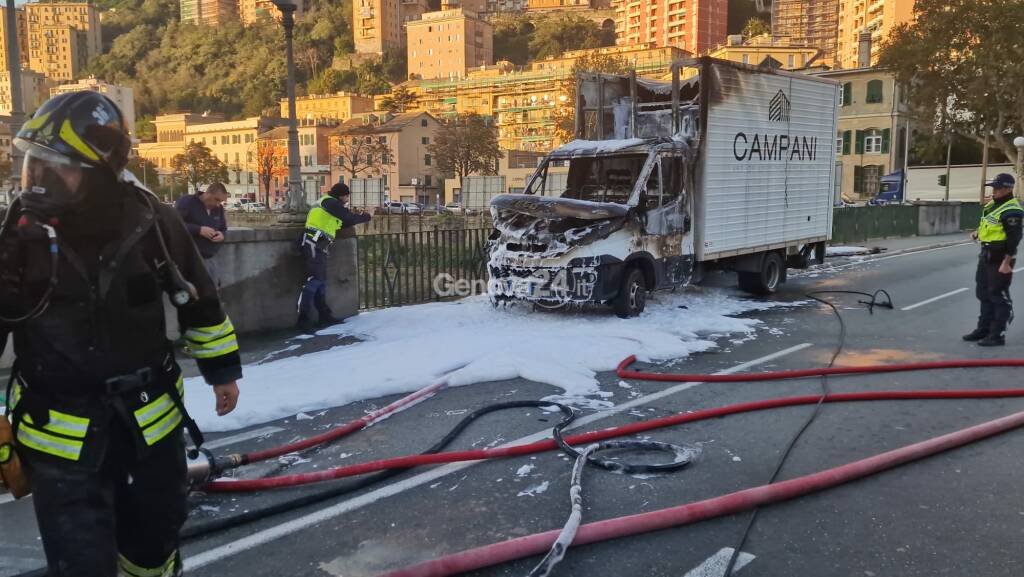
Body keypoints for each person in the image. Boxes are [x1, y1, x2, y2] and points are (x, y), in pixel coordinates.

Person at [0, 91, 241, 576]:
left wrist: (222, 373)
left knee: (153, 542)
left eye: (56, 167)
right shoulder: (20, 233)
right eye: (35, 165)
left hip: (148, 426)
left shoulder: (152, 220)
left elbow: (199, 299)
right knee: (79, 561)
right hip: (58, 438)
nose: (39, 179)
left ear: (97, 170)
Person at [297, 182, 372, 333]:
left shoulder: (330, 205)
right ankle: (303, 319)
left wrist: (362, 217)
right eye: (346, 196)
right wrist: (367, 216)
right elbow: (348, 218)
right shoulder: (329, 202)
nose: (347, 199)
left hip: (320, 245)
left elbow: (343, 222)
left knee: (321, 282)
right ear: (341, 195)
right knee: (314, 281)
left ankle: (324, 315)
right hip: (313, 243)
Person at [963, 173, 1022, 346]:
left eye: (997, 188)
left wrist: (1007, 262)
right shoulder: (993, 205)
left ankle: (998, 334)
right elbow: (988, 224)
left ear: (1007, 189)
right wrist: (977, 233)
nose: (993, 191)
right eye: (993, 188)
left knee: (998, 295)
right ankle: (984, 328)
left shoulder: (1012, 210)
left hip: (1001, 258)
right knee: (983, 293)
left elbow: (1014, 238)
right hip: (986, 255)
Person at [174, 181, 228, 288]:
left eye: (221, 201)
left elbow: (223, 229)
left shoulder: (219, 209)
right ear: (207, 193)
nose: (218, 204)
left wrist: (222, 235)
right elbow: (174, 224)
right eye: (217, 200)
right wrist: (198, 230)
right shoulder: (187, 202)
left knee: (211, 294)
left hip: (210, 260)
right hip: (189, 260)